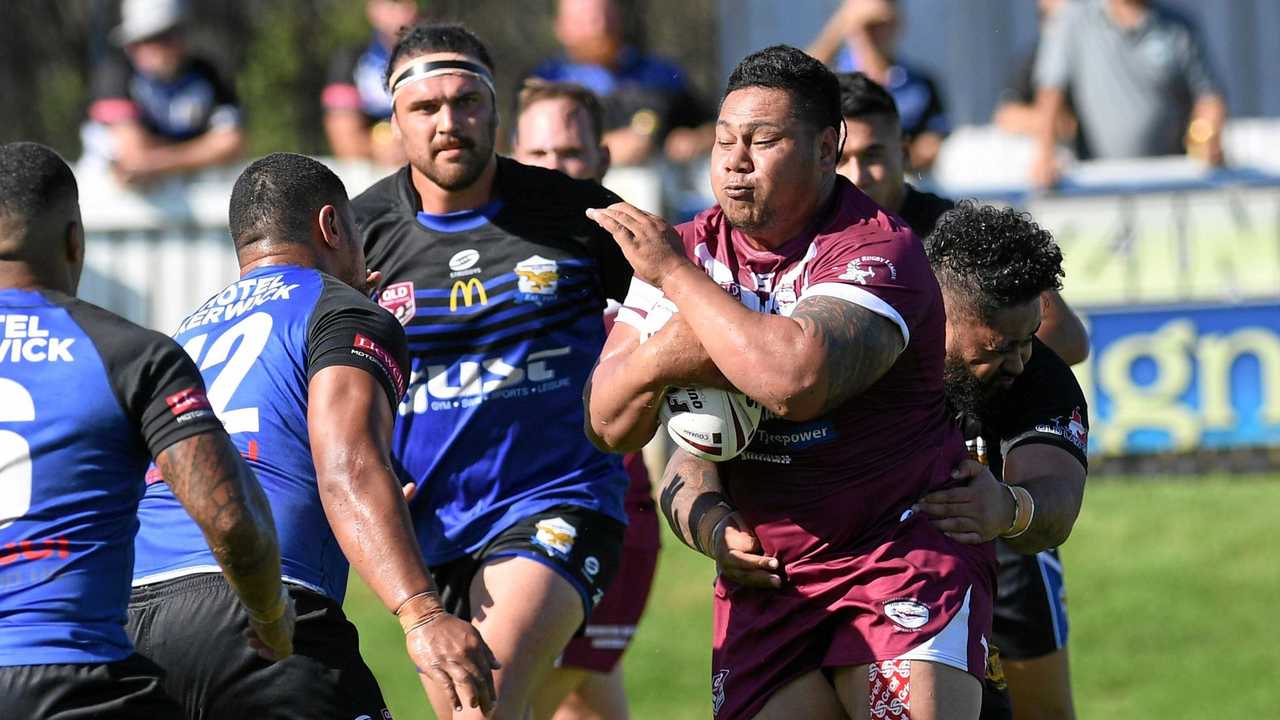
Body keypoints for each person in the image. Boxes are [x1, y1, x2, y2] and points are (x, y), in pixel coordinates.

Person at [586, 45, 993, 719]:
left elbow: (794, 381)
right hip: (771, 581)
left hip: (897, 555)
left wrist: (678, 285)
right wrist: (667, 353)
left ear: (827, 147)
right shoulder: (687, 247)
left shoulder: (876, 247)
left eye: (763, 140)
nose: (736, 159)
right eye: (724, 139)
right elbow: (607, 422)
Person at [126, 153, 499, 719]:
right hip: (259, 610)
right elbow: (347, 467)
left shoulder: (188, 329)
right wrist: (423, 614)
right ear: (331, 225)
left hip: (136, 621)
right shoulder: (340, 310)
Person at [353, 24, 634, 719]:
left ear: (494, 110)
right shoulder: (358, 238)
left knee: (483, 708)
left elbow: (688, 305)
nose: (450, 122)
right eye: (426, 108)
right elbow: (317, 384)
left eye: (466, 101)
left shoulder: (577, 215)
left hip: (558, 504)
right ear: (394, 122)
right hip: (429, 534)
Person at [0, 141, 292, 717]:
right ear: (74, 240)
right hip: (73, 680)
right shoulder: (130, 355)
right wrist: (271, 615)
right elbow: (230, 518)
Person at [512, 79, 660, 720]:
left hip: (606, 523)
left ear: (601, 159)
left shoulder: (642, 272)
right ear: (512, 157)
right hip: (495, 530)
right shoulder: (476, 270)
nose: (555, 170)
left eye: (570, 154)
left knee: (497, 705)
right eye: (539, 154)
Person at [917, 202, 1089, 720]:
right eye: (998, 347)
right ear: (940, 314)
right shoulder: (868, 351)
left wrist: (1009, 509)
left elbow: (1056, 498)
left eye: (1027, 340)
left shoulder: (1042, 378)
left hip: (988, 557)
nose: (1017, 361)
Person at [835, 71, 1090, 367]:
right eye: (842, 159)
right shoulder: (800, 232)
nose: (858, 176)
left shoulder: (958, 229)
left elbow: (1068, 340)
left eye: (872, 156)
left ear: (904, 152)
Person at [1030, 0, 1228, 188]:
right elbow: (1050, 92)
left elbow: (1208, 97)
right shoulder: (1074, 20)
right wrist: (1045, 155)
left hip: (1169, 182)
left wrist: (1207, 136)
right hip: (1095, 185)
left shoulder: (1180, 28)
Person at [528, 0, 714, 166]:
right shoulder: (546, 84)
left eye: (607, 15)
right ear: (561, 28)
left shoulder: (660, 75)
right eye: (587, 19)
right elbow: (528, 150)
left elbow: (717, 128)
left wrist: (694, 140)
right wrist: (600, 149)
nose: (600, 27)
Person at [82, 0, 244, 186]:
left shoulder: (208, 74)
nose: (154, 49)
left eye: (164, 37)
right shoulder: (115, 75)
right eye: (143, 40)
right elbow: (135, 156)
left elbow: (232, 144)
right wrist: (203, 148)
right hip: (109, 204)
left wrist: (158, 160)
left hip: (190, 197)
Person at [808, 0, 948, 171]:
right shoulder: (832, 79)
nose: (874, 34)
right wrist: (840, 27)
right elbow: (798, 80)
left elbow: (934, 135)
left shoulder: (920, 84)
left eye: (881, 24)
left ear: (896, 24)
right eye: (867, 26)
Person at [322, 0, 420, 166]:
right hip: (371, 173)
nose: (408, 8)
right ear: (373, 8)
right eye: (395, 2)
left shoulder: (441, 57)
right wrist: (377, 150)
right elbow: (343, 139)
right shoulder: (350, 60)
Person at [992, 0, 1085, 158]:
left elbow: (1078, 127)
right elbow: (1006, 117)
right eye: (1045, 16)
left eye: (1063, 19)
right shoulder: (1031, 61)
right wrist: (1050, 123)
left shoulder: (1090, 63)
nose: (1055, 26)